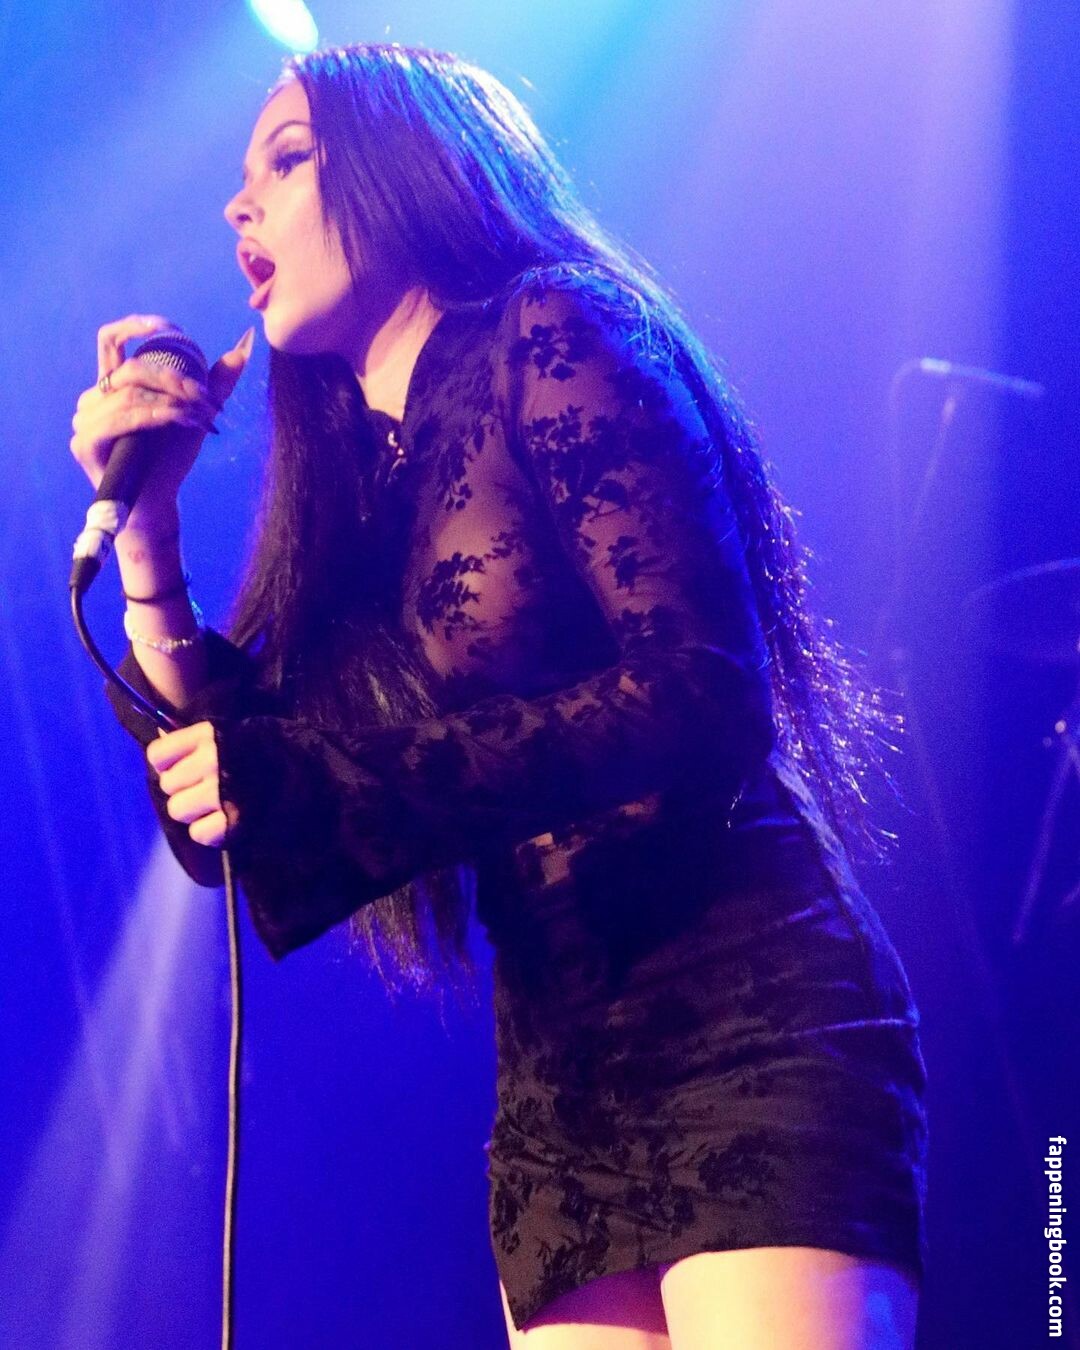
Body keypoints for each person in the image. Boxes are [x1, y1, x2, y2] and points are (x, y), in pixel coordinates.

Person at [70, 43, 928, 1350]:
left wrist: (336, 780)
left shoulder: (554, 330)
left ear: (408, 166)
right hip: (558, 1081)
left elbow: (702, 686)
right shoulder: (360, 497)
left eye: (288, 160)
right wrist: (149, 539)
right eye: (241, 182)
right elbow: (247, 799)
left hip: (744, 1007)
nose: (240, 204)